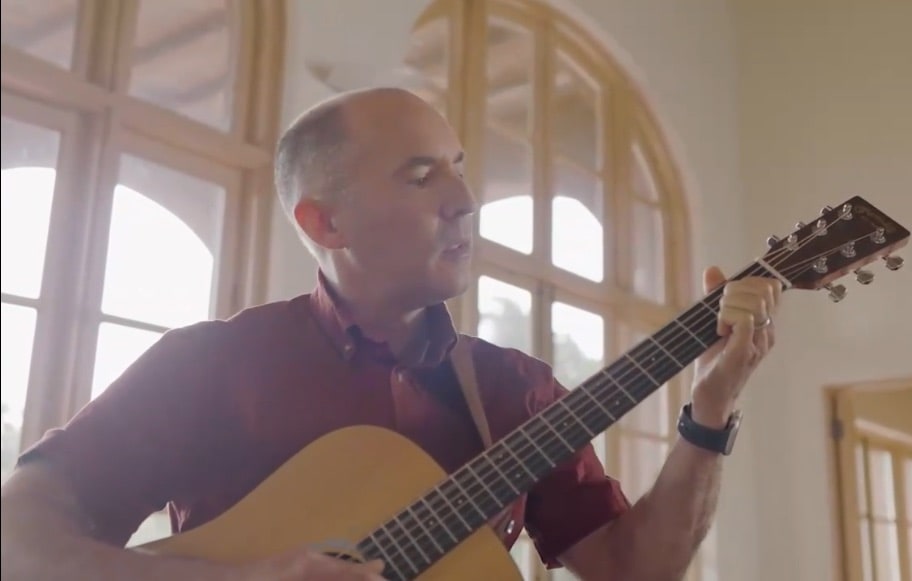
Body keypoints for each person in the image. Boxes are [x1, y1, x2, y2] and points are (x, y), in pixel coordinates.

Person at [0, 87, 781, 581]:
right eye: (420, 175)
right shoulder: (211, 363)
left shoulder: (516, 389)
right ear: (324, 220)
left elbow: (633, 572)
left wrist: (711, 405)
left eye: (459, 166)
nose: (465, 199)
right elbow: (18, 538)